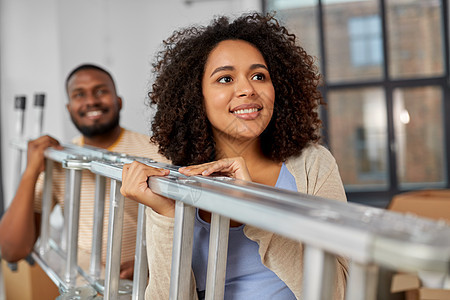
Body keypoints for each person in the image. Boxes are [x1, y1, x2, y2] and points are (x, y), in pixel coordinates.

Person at [120, 12, 349, 299]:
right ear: (195, 95)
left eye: (259, 76)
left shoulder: (313, 165)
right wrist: (166, 216)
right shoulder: (173, 182)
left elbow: (338, 293)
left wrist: (254, 208)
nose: (247, 89)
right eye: (225, 78)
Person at [0, 64, 168, 279]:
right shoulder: (61, 159)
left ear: (119, 101)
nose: (91, 101)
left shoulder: (156, 153)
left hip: (143, 286)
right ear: (69, 108)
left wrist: (151, 263)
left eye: (101, 91)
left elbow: (190, 230)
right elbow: (11, 251)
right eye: (80, 94)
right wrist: (31, 171)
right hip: (84, 284)